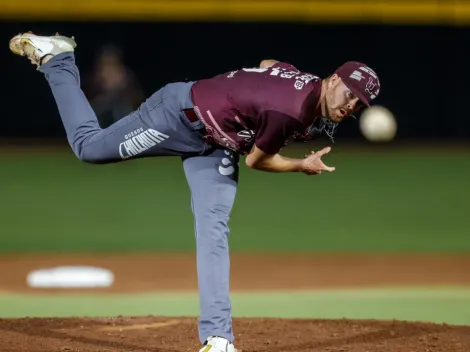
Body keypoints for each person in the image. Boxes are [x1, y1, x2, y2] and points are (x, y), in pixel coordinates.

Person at [9, 32, 381, 352]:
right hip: (178, 116)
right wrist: (302, 164)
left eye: (358, 104)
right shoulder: (291, 111)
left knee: (213, 228)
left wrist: (247, 94)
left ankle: (218, 338)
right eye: (349, 93)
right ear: (334, 79)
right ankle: (58, 60)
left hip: (216, 142)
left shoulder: (307, 84)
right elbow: (257, 161)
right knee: (89, 148)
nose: (350, 106)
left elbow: (271, 64)